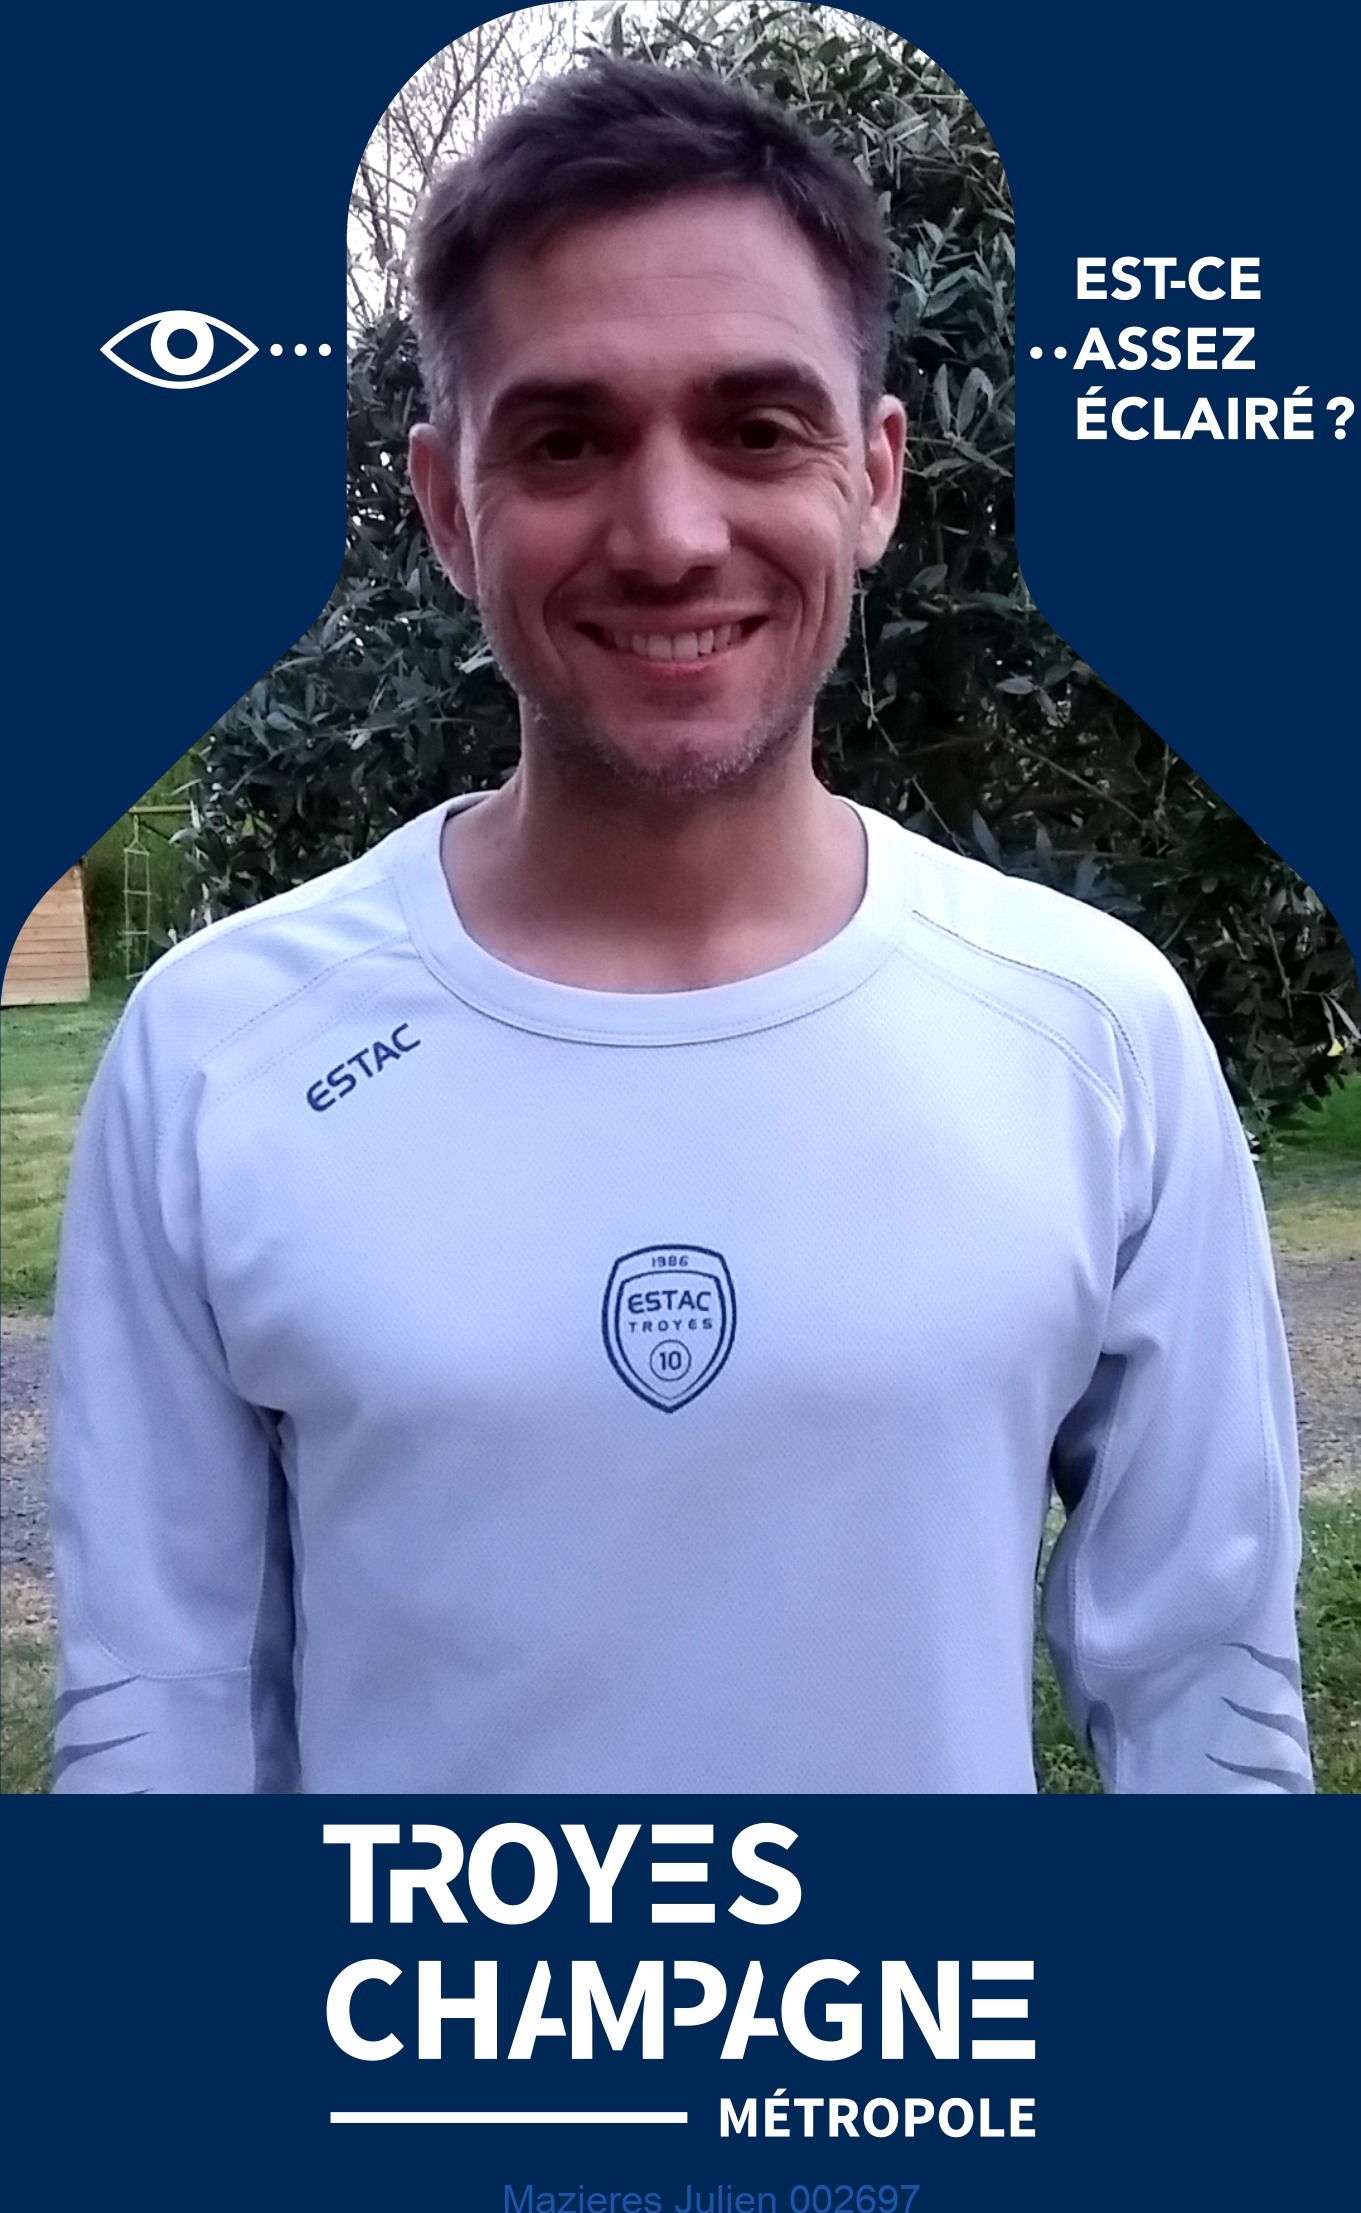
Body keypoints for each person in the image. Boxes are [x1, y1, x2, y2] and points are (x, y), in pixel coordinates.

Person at [50, 58, 1312, 1794]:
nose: (667, 532)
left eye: (756, 427)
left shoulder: (1094, 1029)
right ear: (446, 504)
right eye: (566, 439)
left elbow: (1205, 1690)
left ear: (875, 476)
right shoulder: (216, 1049)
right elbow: (158, 1717)